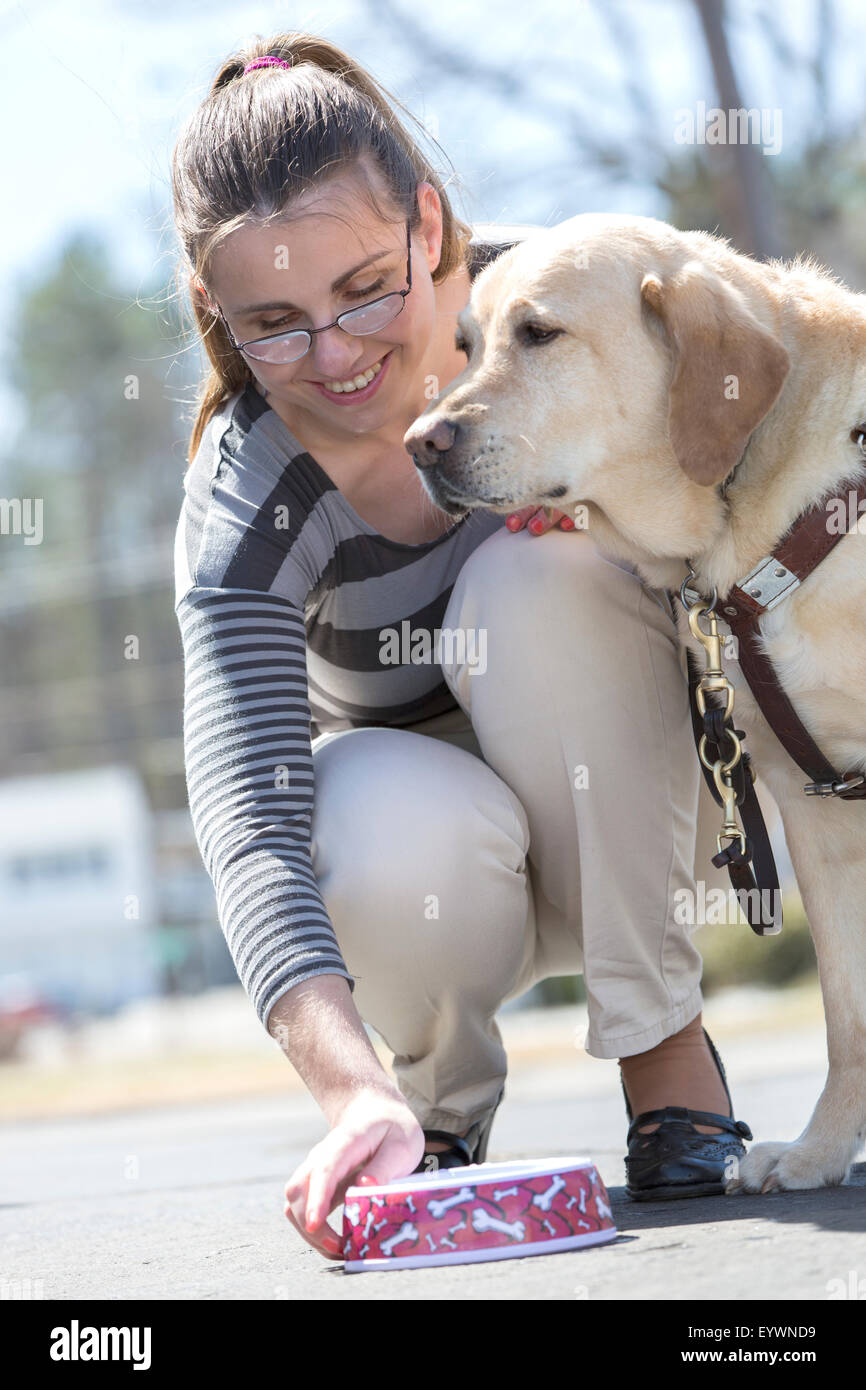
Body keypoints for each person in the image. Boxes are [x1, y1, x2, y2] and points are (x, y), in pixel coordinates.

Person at [170, 32, 753, 1262]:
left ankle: (662, 1052)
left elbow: (773, 474)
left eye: (367, 287)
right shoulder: (246, 503)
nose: (337, 357)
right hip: (439, 888)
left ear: (428, 227)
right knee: (355, 789)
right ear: (209, 306)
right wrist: (347, 1086)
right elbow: (251, 822)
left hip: (644, 814)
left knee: (531, 576)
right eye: (274, 323)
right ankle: (430, 1113)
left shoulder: (568, 304)